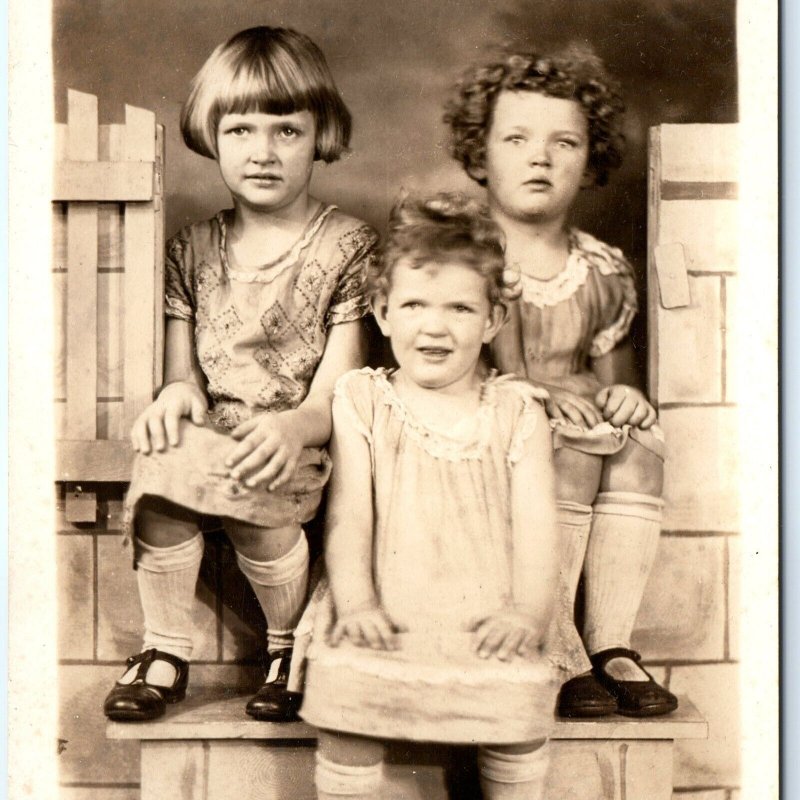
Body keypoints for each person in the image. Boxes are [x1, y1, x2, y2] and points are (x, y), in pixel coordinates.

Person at [102, 26, 378, 723]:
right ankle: (164, 648)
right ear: (212, 135)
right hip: (217, 435)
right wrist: (174, 401)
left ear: (321, 134)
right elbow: (182, 378)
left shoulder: (349, 244)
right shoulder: (192, 247)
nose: (262, 151)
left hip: (299, 442)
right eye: (241, 129)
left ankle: (288, 645)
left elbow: (336, 395)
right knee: (164, 465)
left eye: (287, 130)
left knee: (253, 491)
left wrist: (290, 427)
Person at [299, 194, 562, 800]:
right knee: (348, 705)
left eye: (461, 307)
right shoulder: (362, 398)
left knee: (519, 707)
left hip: (486, 610)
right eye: (414, 304)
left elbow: (538, 527)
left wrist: (527, 613)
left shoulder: (515, 410)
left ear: (494, 321)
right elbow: (349, 518)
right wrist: (358, 604)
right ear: (382, 312)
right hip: (387, 606)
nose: (434, 326)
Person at [444, 46, 678, 718]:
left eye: (563, 142)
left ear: (590, 157)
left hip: (571, 418)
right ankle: (555, 635)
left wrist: (623, 400)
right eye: (516, 139)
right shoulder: (465, 253)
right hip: (481, 418)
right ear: (481, 153)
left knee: (638, 441)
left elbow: (612, 379)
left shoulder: (602, 269)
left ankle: (612, 642)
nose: (539, 158)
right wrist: (536, 401)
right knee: (568, 443)